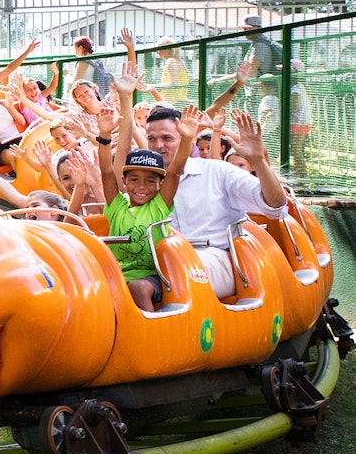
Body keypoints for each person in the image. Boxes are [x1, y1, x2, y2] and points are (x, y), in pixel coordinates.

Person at [144, 102, 287, 300]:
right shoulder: (143, 183)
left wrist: (258, 161)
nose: (159, 146)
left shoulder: (217, 171)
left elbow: (275, 207)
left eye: (167, 138)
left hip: (215, 259)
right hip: (159, 261)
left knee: (178, 265)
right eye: (152, 139)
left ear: (186, 137)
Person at [94, 64, 198, 311]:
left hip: (155, 278)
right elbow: (106, 170)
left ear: (160, 184)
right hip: (116, 275)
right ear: (125, 181)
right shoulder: (117, 205)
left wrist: (186, 138)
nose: (141, 187)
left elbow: (175, 170)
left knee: (138, 288)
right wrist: (104, 136)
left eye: (150, 181)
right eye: (134, 180)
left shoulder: (159, 206)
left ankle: (152, 330)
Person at [150, 37, 191, 104]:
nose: (158, 52)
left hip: (171, 102)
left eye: (159, 49)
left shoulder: (170, 61)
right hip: (181, 101)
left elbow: (173, 84)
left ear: (166, 49)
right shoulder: (180, 62)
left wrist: (151, 86)